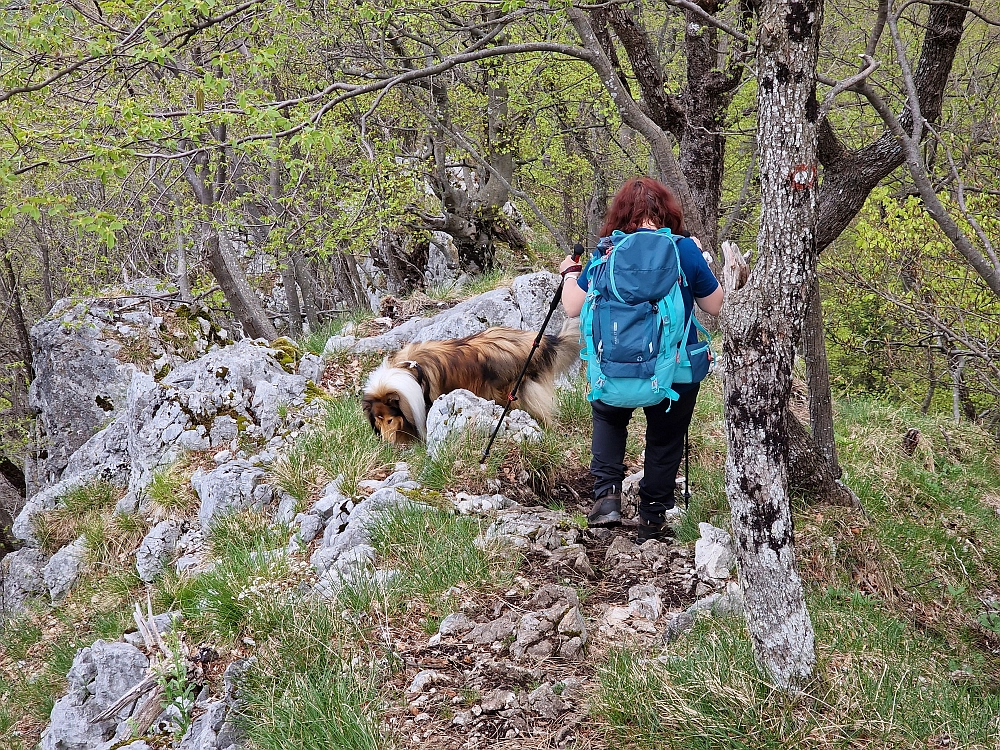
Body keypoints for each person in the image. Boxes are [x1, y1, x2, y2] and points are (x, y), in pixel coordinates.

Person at [560, 177, 724, 543]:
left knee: (609, 417)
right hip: (676, 370)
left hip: (612, 369)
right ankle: (651, 518)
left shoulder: (606, 252)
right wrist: (701, 262)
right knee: (665, 438)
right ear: (667, 214)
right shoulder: (683, 250)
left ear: (620, 216)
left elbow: (572, 306)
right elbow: (715, 305)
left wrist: (570, 273)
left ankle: (607, 499)